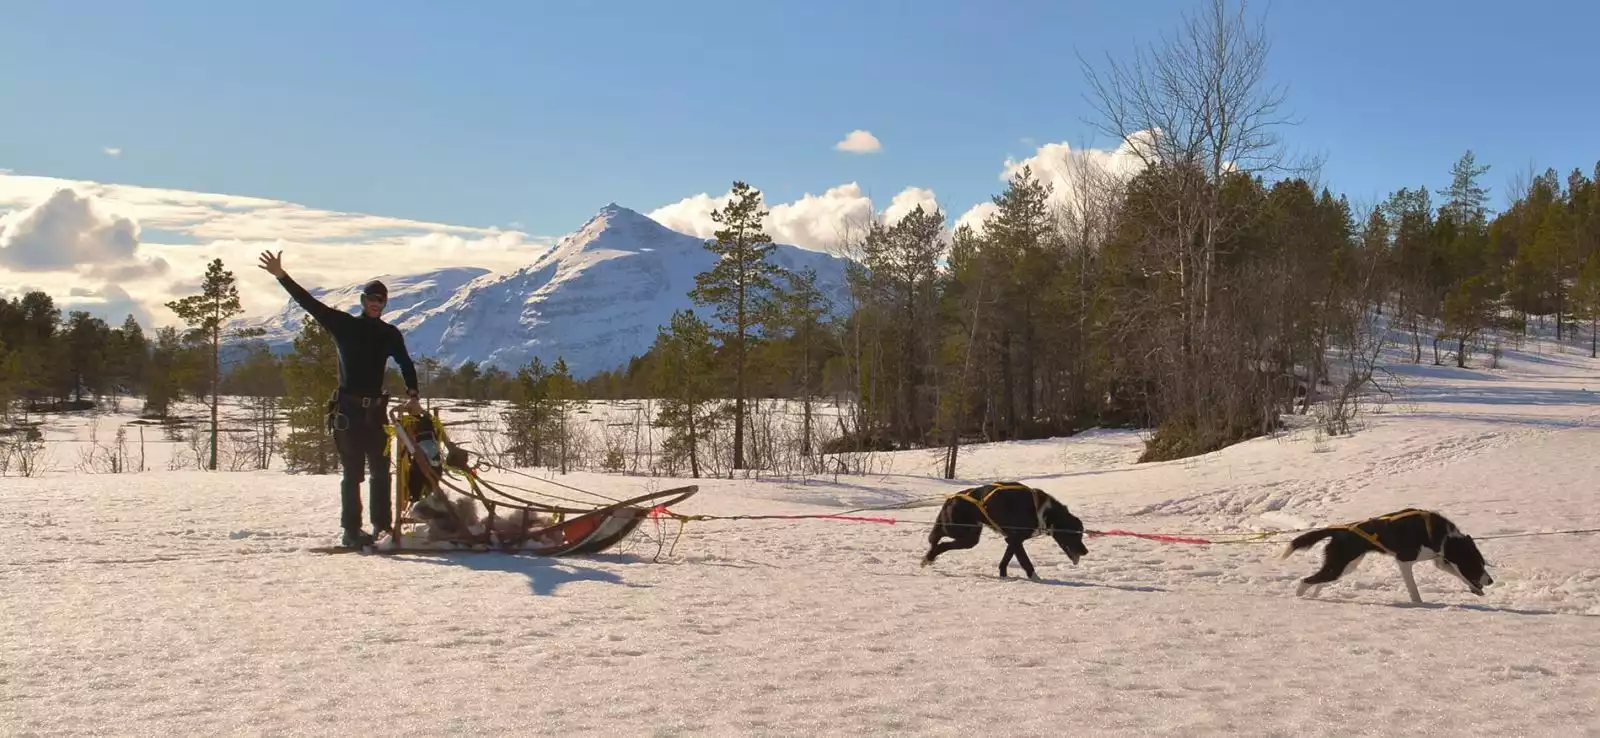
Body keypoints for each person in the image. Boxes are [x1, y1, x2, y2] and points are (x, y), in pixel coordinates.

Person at [258, 249, 423, 548]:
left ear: (384, 305)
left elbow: (406, 364)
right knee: (353, 474)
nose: (375, 304)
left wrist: (413, 394)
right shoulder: (343, 325)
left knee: (382, 472)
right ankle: (351, 531)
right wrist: (282, 276)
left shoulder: (390, 334)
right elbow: (308, 303)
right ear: (363, 302)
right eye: (371, 300)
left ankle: (381, 528)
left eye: (380, 301)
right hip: (348, 412)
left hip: (375, 413)